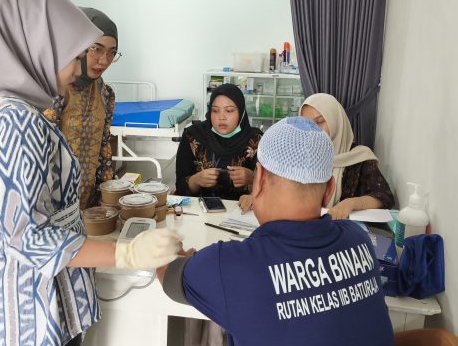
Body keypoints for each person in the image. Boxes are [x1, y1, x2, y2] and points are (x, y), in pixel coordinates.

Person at [0, 0, 182, 346]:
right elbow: (28, 238)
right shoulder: (13, 121)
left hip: (28, 294)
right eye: (72, 53)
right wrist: (127, 252)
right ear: (33, 45)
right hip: (35, 305)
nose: (77, 67)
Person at [159, 117, 394, 346]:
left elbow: (166, 273)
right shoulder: (359, 239)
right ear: (329, 190)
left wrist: (176, 250)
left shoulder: (230, 265)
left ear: (259, 179)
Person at [239, 93, 394, 219]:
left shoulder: (359, 157)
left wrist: (351, 204)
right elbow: (284, 190)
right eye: (307, 124)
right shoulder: (299, 153)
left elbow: (384, 197)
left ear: (336, 121)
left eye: (320, 122)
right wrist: (258, 197)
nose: (314, 130)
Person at [43, 7, 120, 210]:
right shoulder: (56, 88)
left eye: (112, 53)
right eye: (96, 49)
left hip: (88, 202)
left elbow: (104, 147)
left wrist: (108, 196)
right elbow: (43, 153)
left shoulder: (105, 93)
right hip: (53, 204)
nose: (104, 60)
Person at [175, 83, 262, 200]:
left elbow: (270, 190)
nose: (221, 117)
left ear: (241, 112)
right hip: (199, 208)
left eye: (229, 111)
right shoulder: (193, 136)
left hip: (241, 209)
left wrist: (252, 178)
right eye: (215, 111)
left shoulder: (255, 140)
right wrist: (195, 180)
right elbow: (180, 187)